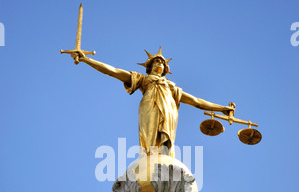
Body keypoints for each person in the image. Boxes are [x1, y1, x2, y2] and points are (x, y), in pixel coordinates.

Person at [71, 47, 233, 156]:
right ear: (149, 66)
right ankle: (149, 158)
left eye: (162, 62)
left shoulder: (172, 87)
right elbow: (113, 71)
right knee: (150, 145)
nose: (160, 64)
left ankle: (163, 159)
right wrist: (87, 60)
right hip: (149, 108)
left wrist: (221, 109)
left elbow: (196, 101)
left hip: (169, 113)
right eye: (157, 61)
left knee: (165, 145)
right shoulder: (143, 79)